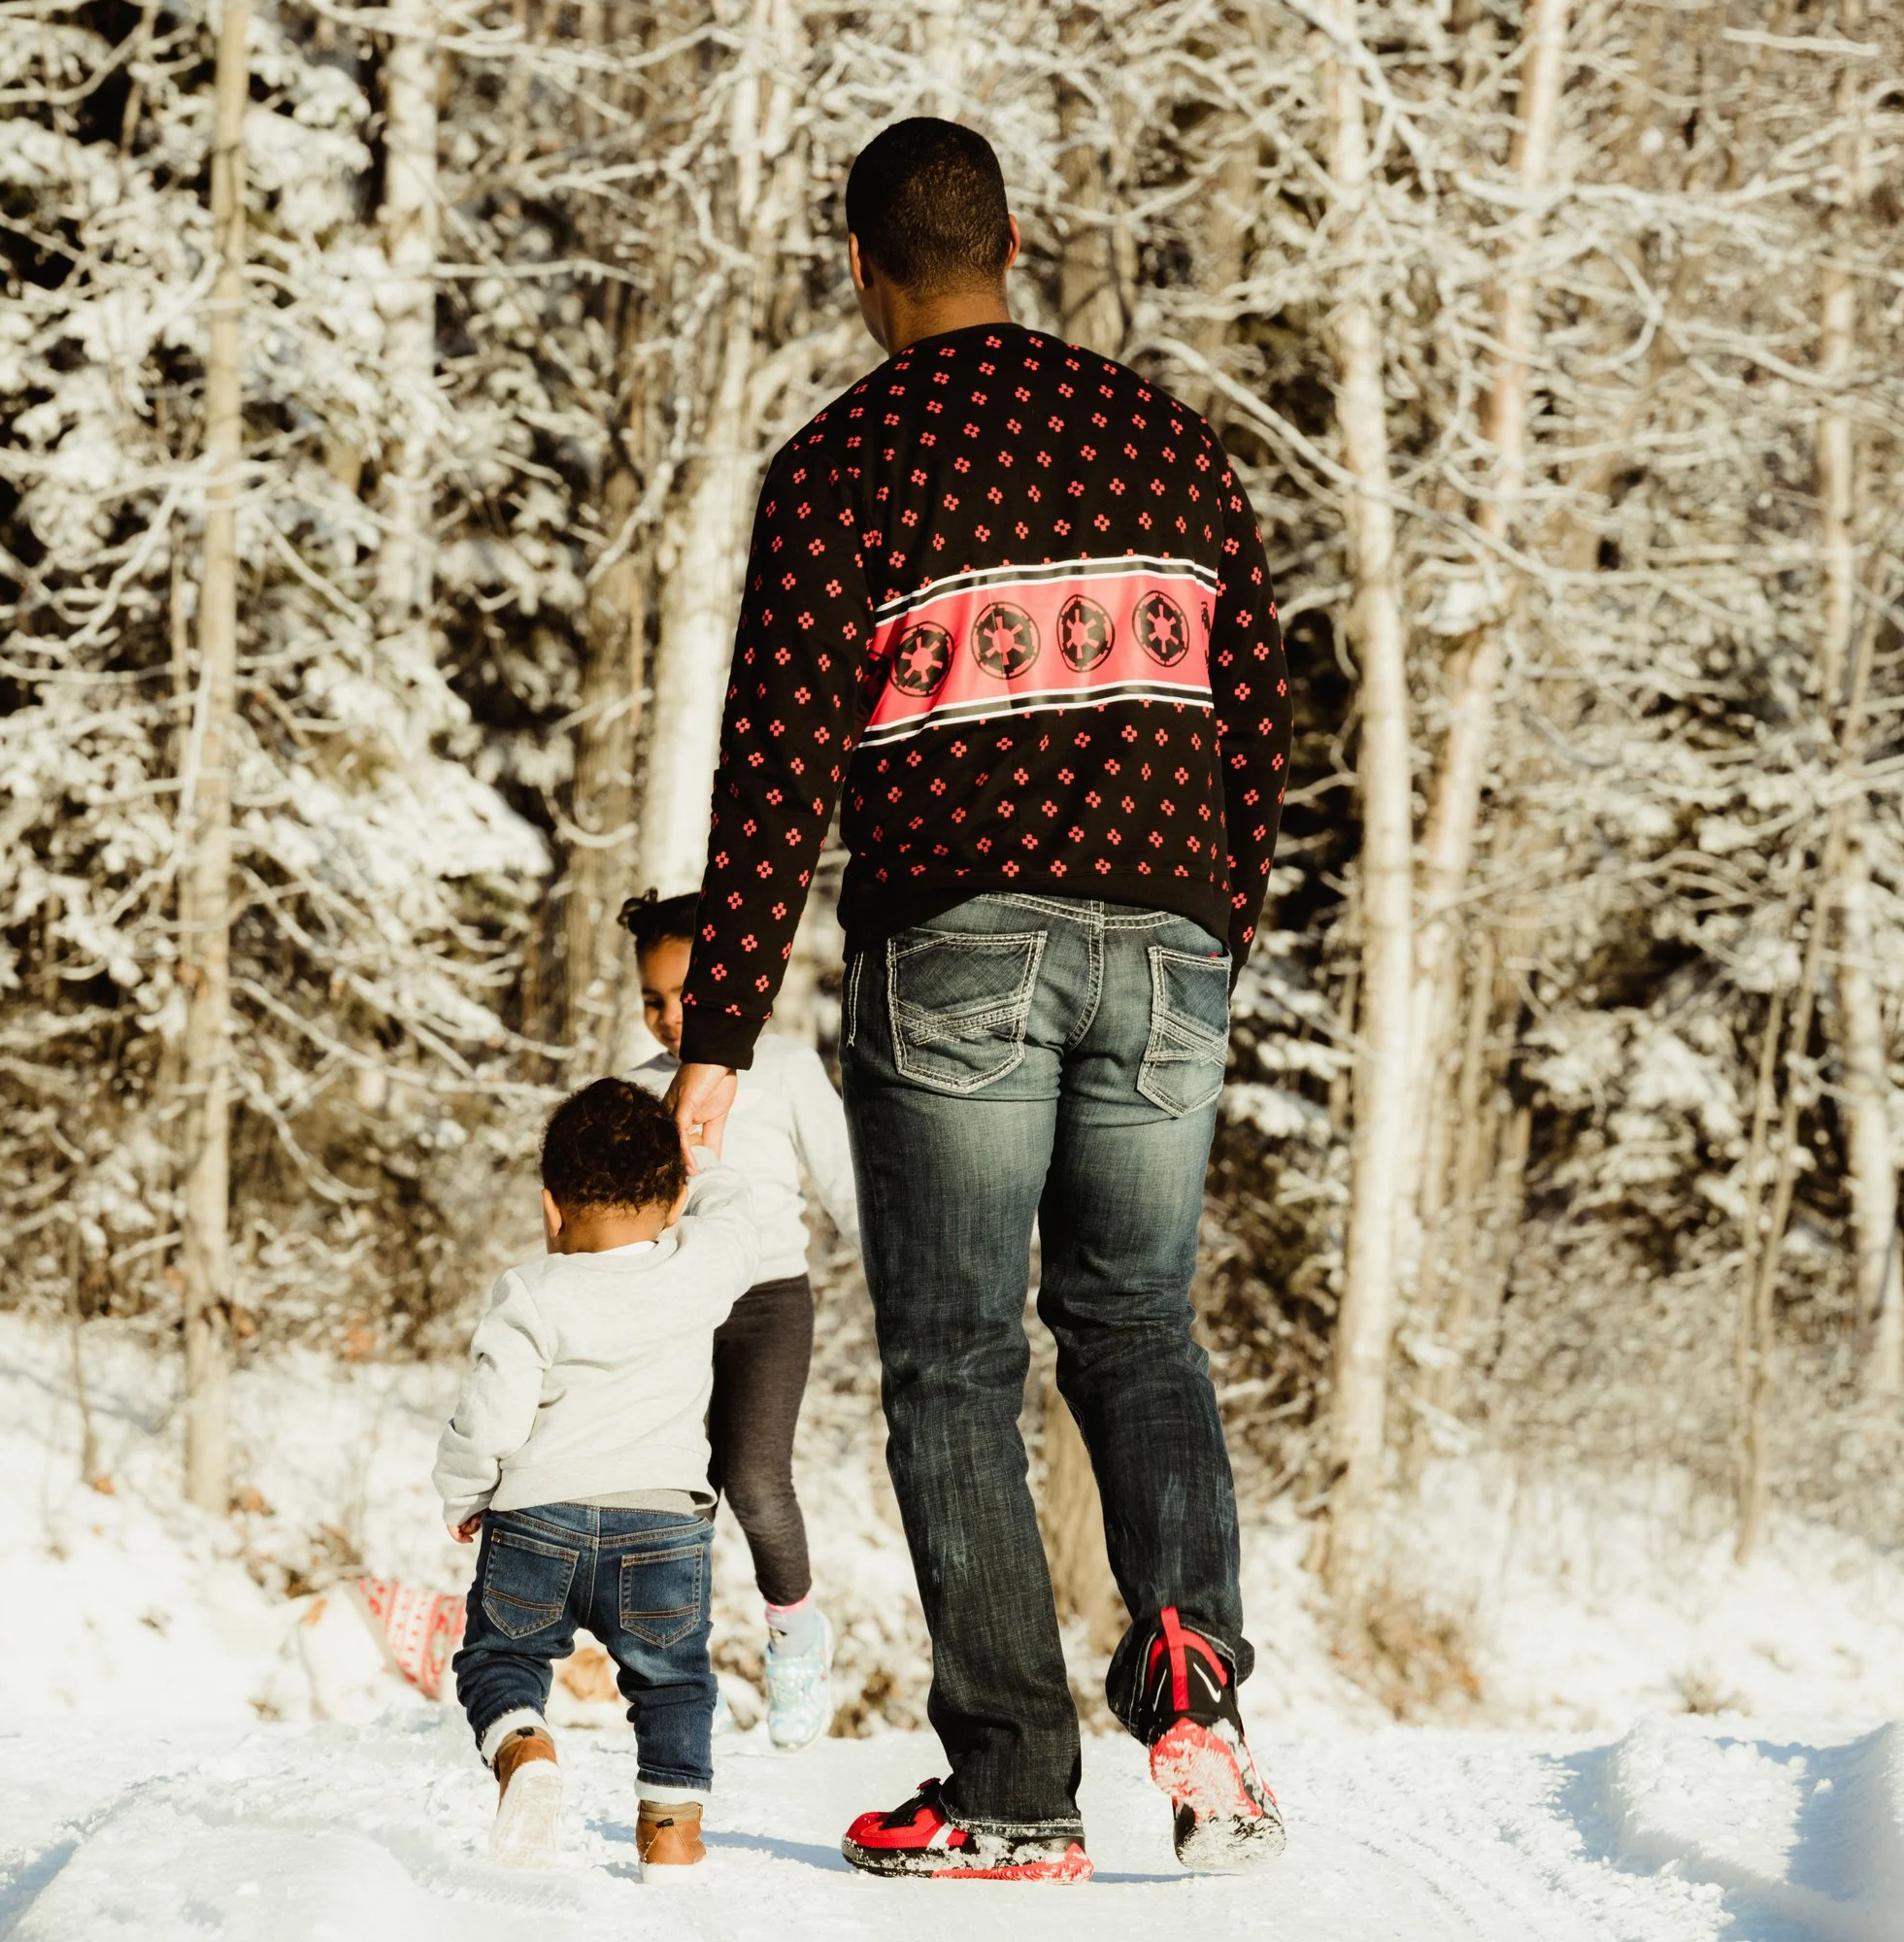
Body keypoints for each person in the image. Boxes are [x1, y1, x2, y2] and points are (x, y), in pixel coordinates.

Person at [662, 117, 1294, 1881]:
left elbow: (774, 768)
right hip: (1168, 943)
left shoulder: (846, 460)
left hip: (957, 943)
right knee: (1141, 1332)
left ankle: (1015, 1787)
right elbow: (1262, 726)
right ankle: (1197, 1703)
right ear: (1016, 239)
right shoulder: (1175, 447)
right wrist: (1207, 929)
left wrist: (718, 1034)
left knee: (956, 1363)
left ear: (858, 267)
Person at [433, 1078, 761, 1877]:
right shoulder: (698, 1269)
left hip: (540, 1514)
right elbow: (744, 1224)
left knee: (498, 1657)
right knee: (673, 1678)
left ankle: (525, 1747)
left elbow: (493, 1410)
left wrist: (466, 1491)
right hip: (663, 1520)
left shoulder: (533, 1290)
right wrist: (702, 1161)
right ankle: (672, 1831)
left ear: (553, 1207)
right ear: (675, 1198)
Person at [618, 887, 857, 1750]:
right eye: (651, 999)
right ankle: (675, 1674)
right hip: (674, 1313)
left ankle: (796, 1641)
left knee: (754, 1481)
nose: (670, 1017)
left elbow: (845, 1186)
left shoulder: (786, 1069)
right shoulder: (631, 1092)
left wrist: (909, 1293)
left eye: (688, 995)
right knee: (680, 1496)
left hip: (767, 1305)